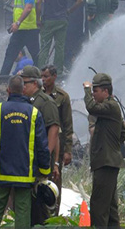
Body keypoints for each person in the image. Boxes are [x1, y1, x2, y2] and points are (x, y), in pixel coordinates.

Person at [0, 75, 51, 228]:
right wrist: (44, 170)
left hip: (2, 170)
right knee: (23, 211)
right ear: (23, 90)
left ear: (8, 90)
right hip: (25, 173)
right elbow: (42, 145)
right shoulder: (34, 113)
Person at [83, 73, 125, 228]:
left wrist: (86, 90)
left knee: (99, 206)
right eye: (92, 91)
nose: (93, 94)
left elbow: (91, 107)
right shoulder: (111, 108)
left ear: (105, 92)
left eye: (96, 91)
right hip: (109, 161)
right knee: (110, 205)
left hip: (106, 162)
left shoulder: (110, 106)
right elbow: (123, 133)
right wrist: (111, 145)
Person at [21, 65, 60, 225]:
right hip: (29, 158)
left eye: (25, 83)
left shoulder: (45, 102)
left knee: (40, 202)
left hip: (39, 160)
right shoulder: (29, 101)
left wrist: (46, 155)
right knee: (30, 202)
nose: (23, 87)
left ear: (34, 84)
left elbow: (54, 128)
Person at [36, 0, 83, 70]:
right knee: (60, 48)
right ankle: (57, 73)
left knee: (44, 48)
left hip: (47, 21)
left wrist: (38, 19)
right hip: (62, 20)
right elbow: (80, 0)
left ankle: (41, 72)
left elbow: (38, 2)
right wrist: (70, 11)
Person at [41, 65, 73, 214]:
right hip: (41, 143)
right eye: (41, 76)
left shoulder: (62, 97)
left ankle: (54, 213)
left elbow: (67, 125)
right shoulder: (38, 95)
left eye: (46, 76)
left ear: (54, 77)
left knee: (55, 180)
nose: (43, 79)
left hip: (57, 146)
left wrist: (67, 150)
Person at [0, 0, 40, 75]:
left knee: (36, 55)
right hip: (20, 30)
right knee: (10, 54)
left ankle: (40, 75)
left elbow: (29, 8)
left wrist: (17, 22)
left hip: (30, 30)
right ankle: (2, 77)